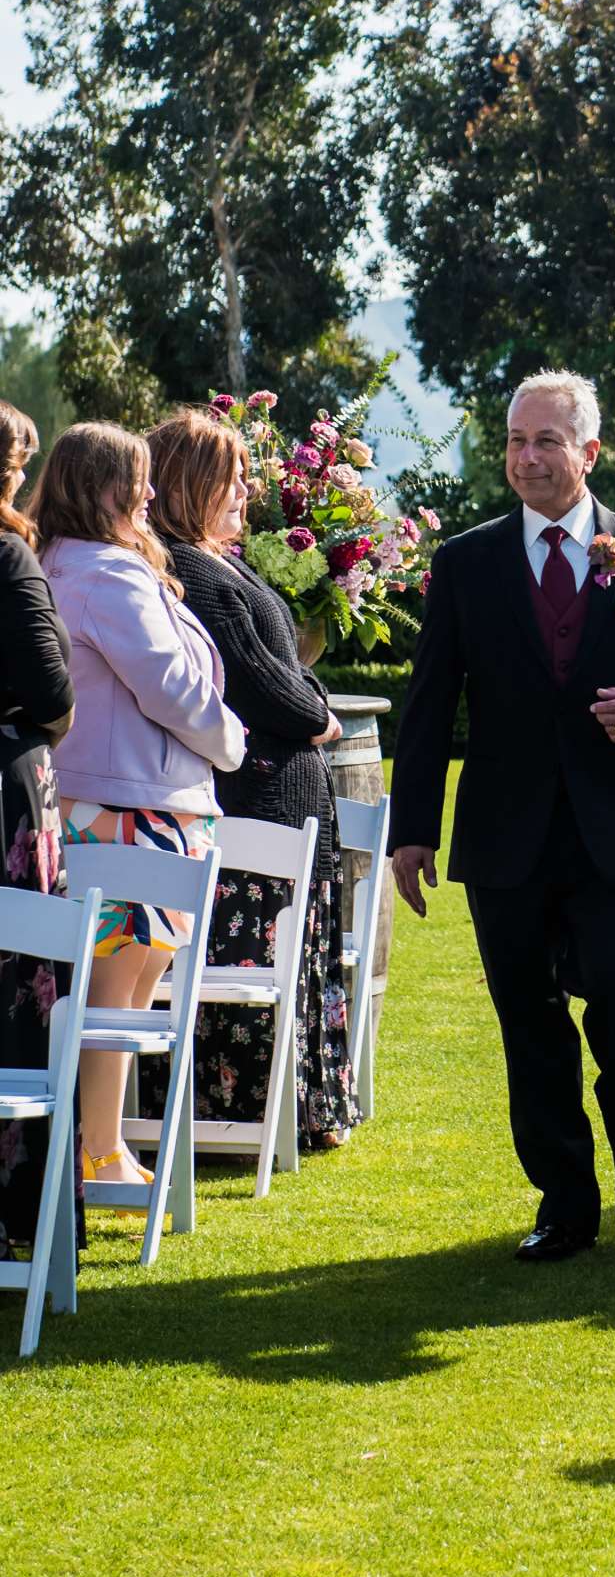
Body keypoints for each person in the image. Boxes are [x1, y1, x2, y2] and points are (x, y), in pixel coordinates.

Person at [388, 370, 615, 1264]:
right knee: (528, 1019)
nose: (526, 458)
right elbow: (429, 707)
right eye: (514, 441)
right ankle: (564, 1200)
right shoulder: (464, 563)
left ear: (589, 451)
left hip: (612, 826)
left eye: (546, 442)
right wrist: (413, 830)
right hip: (501, 835)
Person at [33, 423, 245, 1189]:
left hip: (126, 799)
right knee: (115, 986)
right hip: (130, 805)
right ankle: (100, 1151)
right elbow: (170, 686)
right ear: (101, 488)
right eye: (140, 481)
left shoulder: (67, 563)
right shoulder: (106, 576)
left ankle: (104, 1144)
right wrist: (232, 741)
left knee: (120, 983)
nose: (152, 495)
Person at [147, 408, 356, 1149]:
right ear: (190, 483)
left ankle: (298, 1111)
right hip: (255, 807)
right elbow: (266, 686)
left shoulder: (221, 558)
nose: (246, 488)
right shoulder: (190, 569)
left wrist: (311, 705)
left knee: (294, 958)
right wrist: (318, 717)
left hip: (283, 804)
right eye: (231, 477)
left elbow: (293, 673)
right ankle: (239, 1117)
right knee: (250, 964)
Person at [0, 398, 75, 1258]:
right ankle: (19, 1214)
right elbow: (51, 692)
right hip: (4, 791)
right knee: (15, 989)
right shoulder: (10, 555)